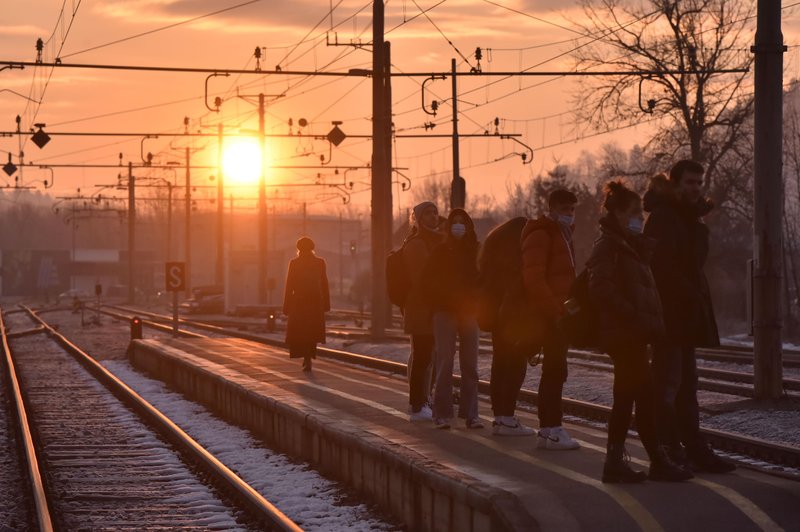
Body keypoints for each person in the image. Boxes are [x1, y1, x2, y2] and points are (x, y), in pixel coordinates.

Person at [587, 180, 692, 483]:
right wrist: (633, 314)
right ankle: (650, 461)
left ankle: (623, 461)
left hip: (633, 334)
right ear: (618, 214)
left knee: (632, 396)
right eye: (634, 213)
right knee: (638, 397)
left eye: (640, 214)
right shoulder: (608, 245)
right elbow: (600, 288)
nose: (639, 218)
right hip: (624, 334)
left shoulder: (628, 245)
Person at [643, 162, 735, 473]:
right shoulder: (664, 218)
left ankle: (691, 447)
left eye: (699, 182)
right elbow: (661, 268)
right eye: (690, 182)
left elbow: (691, 265)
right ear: (675, 183)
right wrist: (689, 293)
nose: (696, 188)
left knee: (686, 385)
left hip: (685, 313)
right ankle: (668, 448)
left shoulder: (689, 220)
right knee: (668, 384)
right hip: (669, 314)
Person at [520, 189, 580, 449]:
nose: (569, 214)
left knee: (557, 371)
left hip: (558, 313)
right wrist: (556, 311)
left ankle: (549, 430)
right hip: (549, 315)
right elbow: (534, 278)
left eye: (572, 209)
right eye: (565, 209)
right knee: (554, 371)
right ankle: (551, 429)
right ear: (553, 208)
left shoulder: (562, 235)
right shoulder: (543, 235)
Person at [422, 209, 483, 429]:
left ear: (468, 226)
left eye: (462, 222)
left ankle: (471, 414)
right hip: (444, 311)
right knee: (444, 362)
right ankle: (442, 413)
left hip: (469, 312)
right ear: (449, 228)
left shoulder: (476, 250)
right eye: (454, 223)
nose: (458, 226)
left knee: (470, 365)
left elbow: (483, 279)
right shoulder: (440, 252)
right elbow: (427, 282)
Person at [479, 217, 537, 436]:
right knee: (515, 366)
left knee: (500, 363)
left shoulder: (491, 257)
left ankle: (500, 417)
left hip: (496, 318)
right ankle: (507, 417)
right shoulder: (516, 263)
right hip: (514, 318)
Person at [403, 201, 444, 421]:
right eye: (427, 213)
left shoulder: (434, 241)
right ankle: (417, 405)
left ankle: (423, 400)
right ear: (418, 219)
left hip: (432, 308)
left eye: (435, 212)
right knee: (422, 357)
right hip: (422, 309)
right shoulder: (417, 244)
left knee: (430, 357)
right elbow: (422, 279)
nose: (433, 216)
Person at [283, 237, 330, 372]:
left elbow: (289, 285)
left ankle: (306, 357)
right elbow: (324, 284)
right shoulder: (320, 263)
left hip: (298, 302)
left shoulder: (294, 263)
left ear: (298, 249)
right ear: (312, 248)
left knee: (300, 332)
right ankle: (309, 356)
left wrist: (286, 306)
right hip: (315, 302)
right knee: (312, 331)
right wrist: (326, 303)